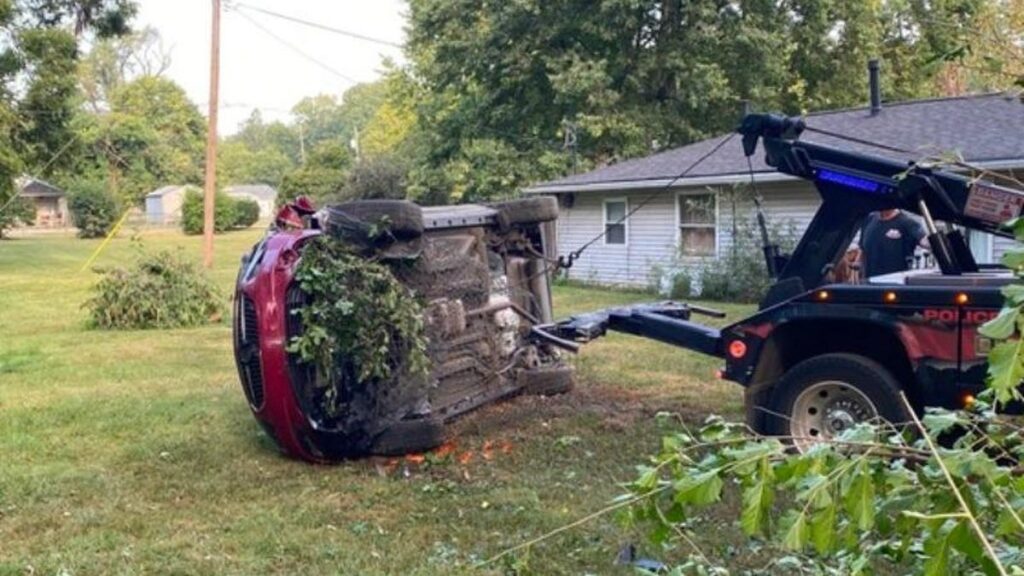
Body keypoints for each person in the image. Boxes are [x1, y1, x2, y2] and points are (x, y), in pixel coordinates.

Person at [859, 209, 928, 277]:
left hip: (896, 283)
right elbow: (862, 250)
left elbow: (924, 241)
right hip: (870, 283)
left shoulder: (908, 223)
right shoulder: (868, 220)